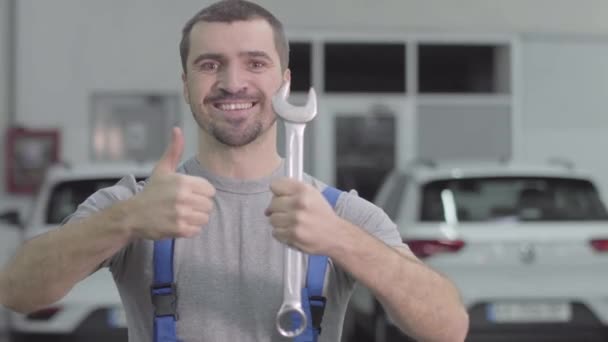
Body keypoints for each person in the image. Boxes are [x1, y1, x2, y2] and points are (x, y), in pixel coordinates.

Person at [0, 1, 469, 341]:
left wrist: (341, 240)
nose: (232, 82)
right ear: (185, 84)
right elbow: (17, 291)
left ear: (285, 82)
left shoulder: (343, 215)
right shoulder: (137, 204)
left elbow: (448, 327)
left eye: (255, 63)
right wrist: (125, 221)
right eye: (210, 64)